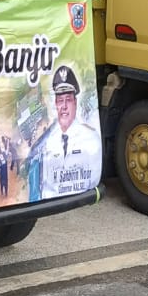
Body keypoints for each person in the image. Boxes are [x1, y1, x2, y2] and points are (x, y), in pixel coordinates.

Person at [38, 65, 101, 198]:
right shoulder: (46, 141)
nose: (64, 106)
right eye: (60, 101)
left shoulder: (91, 138)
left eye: (68, 100)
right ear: (55, 104)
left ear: (75, 103)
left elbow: (93, 178)